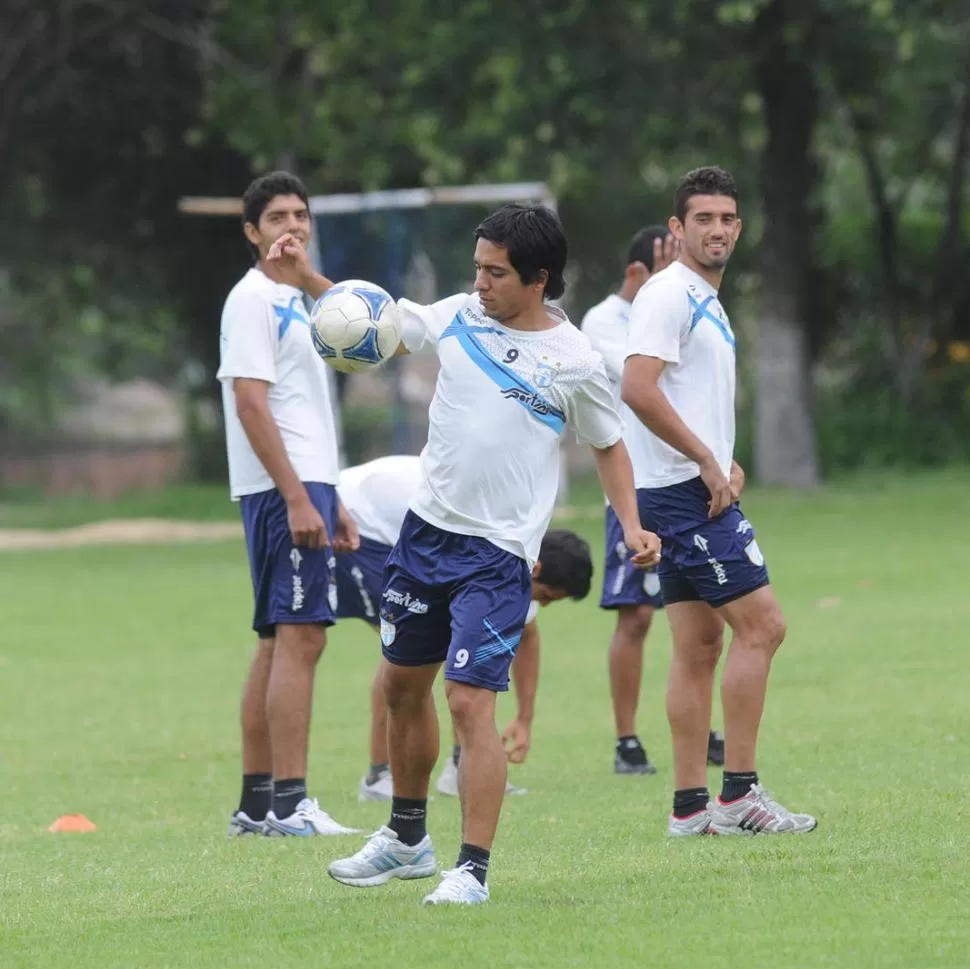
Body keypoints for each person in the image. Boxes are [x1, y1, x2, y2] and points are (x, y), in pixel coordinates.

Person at [266, 203, 661, 904]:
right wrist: (308, 279)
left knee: (469, 700)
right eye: (477, 268)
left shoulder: (575, 363)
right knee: (399, 686)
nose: (480, 282)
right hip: (423, 537)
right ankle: (407, 839)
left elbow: (609, 444)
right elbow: (379, 322)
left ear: (539, 278)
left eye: (495, 272)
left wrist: (630, 524)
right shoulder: (460, 315)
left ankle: (471, 869)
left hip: (498, 554)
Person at [621, 166, 816, 836]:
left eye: (727, 218)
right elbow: (638, 387)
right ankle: (738, 795)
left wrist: (722, 454)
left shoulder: (706, 298)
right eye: (702, 218)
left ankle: (688, 809)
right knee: (763, 627)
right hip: (683, 495)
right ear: (676, 230)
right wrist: (705, 460)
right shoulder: (669, 294)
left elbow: (681, 394)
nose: (718, 229)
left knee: (700, 645)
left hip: (686, 487)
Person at [217, 171, 360, 839]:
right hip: (285, 490)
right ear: (252, 231)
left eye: (301, 215)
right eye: (277, 217)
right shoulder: (250, 301)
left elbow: (364, 336)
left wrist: (335, 496)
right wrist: (300, 495)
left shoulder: (295, 299)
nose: (292, 226)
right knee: (301, 637)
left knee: (279, 640)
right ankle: (290, 802)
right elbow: (251, 402)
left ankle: (256, 803)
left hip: (308, 484)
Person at [333, 455, 594, 802]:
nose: (540, 605)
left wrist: (525, 718)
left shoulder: (513, 540)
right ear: (537, 569)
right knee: (410, 652)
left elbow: (526, 633)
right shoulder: (498, 537)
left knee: (445, 645)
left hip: (406, 528)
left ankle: (457, 765)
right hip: (358, 519)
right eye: (545, 595)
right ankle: (382, 777)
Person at [582, 228, 725, 775]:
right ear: (638, 274)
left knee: (699, 617)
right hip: (634, 491)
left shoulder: (684, 305)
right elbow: (643, 382)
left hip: (683, 484)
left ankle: (702, 729)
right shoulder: (602, 321)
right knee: (636, 617)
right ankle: (626, 740)